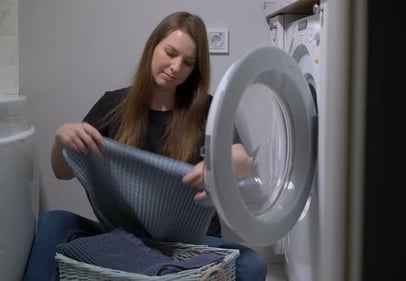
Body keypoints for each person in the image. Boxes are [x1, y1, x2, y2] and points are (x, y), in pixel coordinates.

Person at [24, 11, 267, 281]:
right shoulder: (114, 105)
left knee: (252, 264)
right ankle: (161, 271)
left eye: (187, 63)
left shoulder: (207, 110)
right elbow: (62, 171)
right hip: (125, 239)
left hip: (190, 245)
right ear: (153, 47)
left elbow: (243, 163)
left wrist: (223, 165)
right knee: (54, 222)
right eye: (170, 53)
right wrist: (61, 137)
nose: (176, 67)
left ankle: (165, 270)